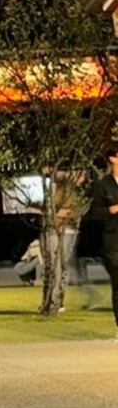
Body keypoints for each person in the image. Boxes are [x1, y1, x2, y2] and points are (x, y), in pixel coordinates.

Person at [86, 144, 118, 336]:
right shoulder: (103, 185)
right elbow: (94, 214)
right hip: (113, 243)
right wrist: (110, 210)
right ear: (113, 159)